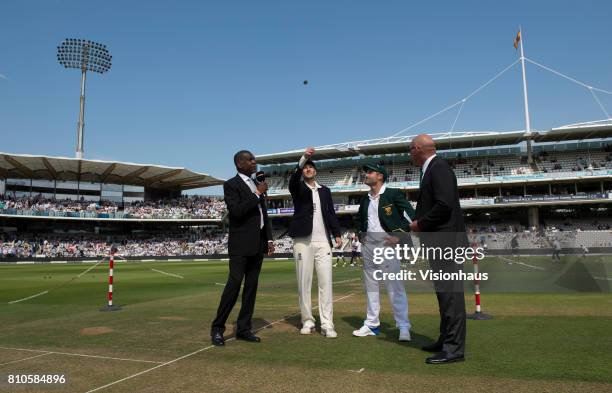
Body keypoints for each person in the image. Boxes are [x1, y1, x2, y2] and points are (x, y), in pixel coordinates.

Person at [409, 134, 467, 364]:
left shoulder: (438, 168)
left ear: (417, 149)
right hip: (440, 242)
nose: (409, 155)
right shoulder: (432, 168)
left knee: (451, 296)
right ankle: (445, 340)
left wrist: (420, 223)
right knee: (444, 296)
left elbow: (444, 204)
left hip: (446, 242)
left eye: (409, 151)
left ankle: (454, 349)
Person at [210, 150, 274, 346]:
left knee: (251, 288)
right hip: (240, 245)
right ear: (240, 164)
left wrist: (269, 240)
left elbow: (264, 215)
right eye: (250, 160)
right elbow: (237, 212)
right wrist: (257, 194)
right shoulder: (231, 184)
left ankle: (244, 328)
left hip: (258, 244)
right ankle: (218, 329)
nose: (254, 162)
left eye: (254, 159)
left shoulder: (257, 183)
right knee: (233, 286)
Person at [353, 163, 415, 342]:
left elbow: (412, 215)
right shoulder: (365, 198)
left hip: (387, 246)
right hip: (368, 247)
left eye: (369, 172)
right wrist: (360, 233)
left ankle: (403, 326)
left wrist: (399, 236)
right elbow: (358, 219)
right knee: (371, 287)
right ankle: (372, 324)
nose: (366, 174)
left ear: (380, 176)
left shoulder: (393, 194)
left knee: (394, 287)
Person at [288, 147, 342, 338]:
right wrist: (303, 158)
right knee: (304, 283)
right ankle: (308, 321)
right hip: (303, 240)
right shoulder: (298, 188)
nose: (308, 169)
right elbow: (293, 179)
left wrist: (337, 234)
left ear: (316, 171)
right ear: (303, 171)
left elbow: (331, 214)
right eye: (306, 168)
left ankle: (327, 324)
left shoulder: (325, 191)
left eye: (311, 167)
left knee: (326, 283)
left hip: (323, 241)